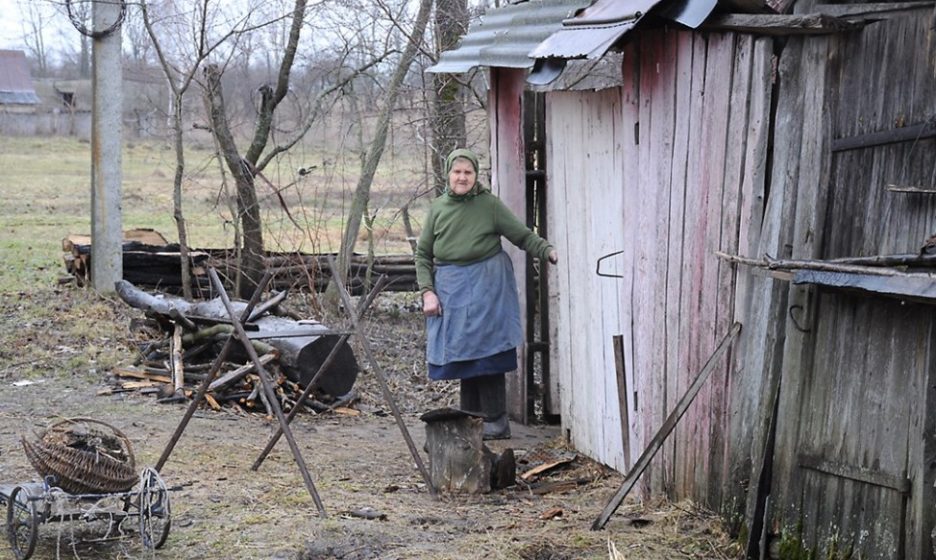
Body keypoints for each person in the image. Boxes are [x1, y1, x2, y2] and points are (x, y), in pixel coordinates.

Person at [415, 148, 558, 440]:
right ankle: (472, 421)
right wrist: (428, 292)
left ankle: (495, 421)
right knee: (465, 357)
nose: (462, 177)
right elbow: (423, 255)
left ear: (476, 175)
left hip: (488, 287)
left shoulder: (489, 205)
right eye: (457, 172)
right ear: (448, 174)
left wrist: (547, 251)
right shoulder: (438, 209)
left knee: (488, 354)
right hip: (453, 289)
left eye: (468, 172)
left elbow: (522, 235)